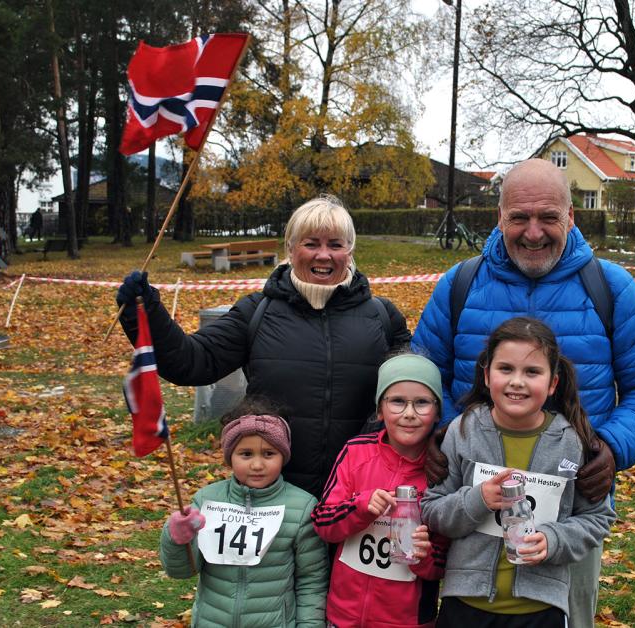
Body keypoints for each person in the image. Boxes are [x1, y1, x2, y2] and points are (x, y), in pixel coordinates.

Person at [411, 158, 635, 627]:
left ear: (571, 217)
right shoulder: (461, 284)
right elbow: (424, 375)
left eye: (548, 217)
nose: (534, 233)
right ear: (500, 218)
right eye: (519, 218)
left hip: (572, 507)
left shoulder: (611, 288)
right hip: (470, 507)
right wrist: (439, 434)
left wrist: (611, 447)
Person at [116, 195, 411, 497]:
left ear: (349, 251)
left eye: (335, 244)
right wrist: (146, 313)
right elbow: (191, 362)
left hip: (360, 496)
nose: (324, 255)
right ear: (291, 249)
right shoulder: (256, 312)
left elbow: (416, 394)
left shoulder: (382, 317)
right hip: (276, 496)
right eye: (311, 244)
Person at [420, 317, 615, 627]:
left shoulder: (572, 442)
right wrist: (477, 499)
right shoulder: (463, 432)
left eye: (532, 372)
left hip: (540, 609)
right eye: (506, 369)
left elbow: (597, 518)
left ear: (553, 383)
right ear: (486, 375)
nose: (517, 382)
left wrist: (552, 539)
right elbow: (431, 509)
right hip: (465, 605)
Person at [159, 397, 328, 626]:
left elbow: (311, 581)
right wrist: (176, 539)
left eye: (269, 454)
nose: (257, 465)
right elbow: (183, 570)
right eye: (246, 454)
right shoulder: (207, 500)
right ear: (230, 457)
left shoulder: (302, 507)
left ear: (284, 456)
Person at [312, 353, 449, 627]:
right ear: (379, 409)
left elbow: (444, 560)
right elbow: (322, 523)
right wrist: (359, 507)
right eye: (397, 401)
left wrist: (422, 556)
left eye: (422, 403)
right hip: (344, 614)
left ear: (437, 412)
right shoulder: (355, 452)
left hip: (407, 620)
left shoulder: (442, 469)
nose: (409, 413)